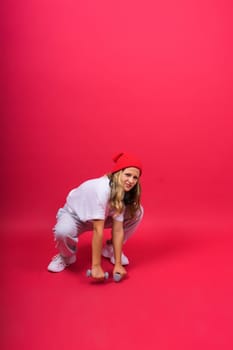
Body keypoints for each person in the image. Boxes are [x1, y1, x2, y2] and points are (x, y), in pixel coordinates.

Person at [47, 152, 144, 281]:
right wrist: (96, 266)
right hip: (76, 216)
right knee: (62, 231)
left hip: (101, 216)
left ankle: (110, 249)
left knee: (137, 211)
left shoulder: (121, 192)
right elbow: (98, 230)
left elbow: (118, 229)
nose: (131, 181)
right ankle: (66, 257)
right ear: (117, 173)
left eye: (135, 177)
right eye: (127, 175)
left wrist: (118, 264)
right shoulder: (102, 189)